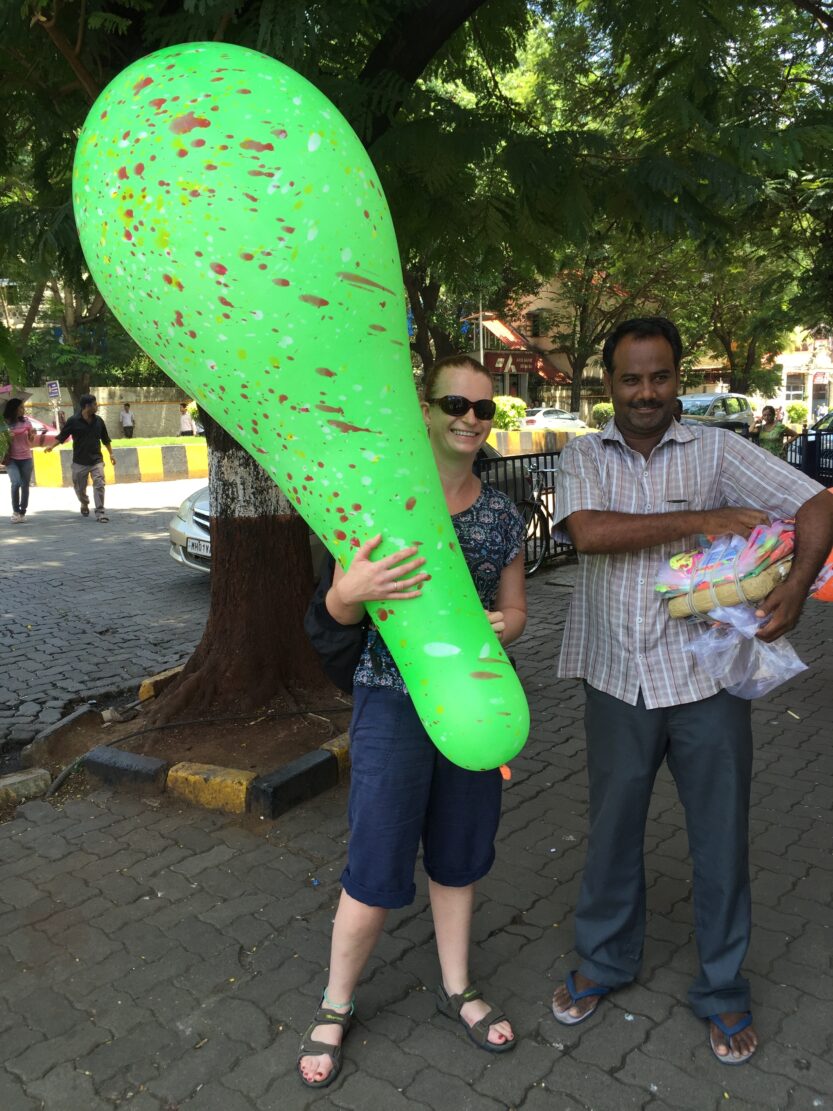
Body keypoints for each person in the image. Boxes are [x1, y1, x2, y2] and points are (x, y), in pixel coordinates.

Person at [551, 317, 833, 1065]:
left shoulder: (717, 448)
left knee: (719, 836)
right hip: (616, 675)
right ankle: (603, 959)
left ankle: (721, 987)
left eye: (660, 376)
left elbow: (817, 503)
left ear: (679, 378)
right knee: (611, 830)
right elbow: (587, 533)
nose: (646, 392)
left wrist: (798, 587)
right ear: (606, 383)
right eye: (631, 378)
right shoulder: (581, 454)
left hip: (707, 677)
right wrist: (706, 519)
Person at [297, 354, 528, 1089]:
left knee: (459, 854)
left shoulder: (500, 514)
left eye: (484, 409)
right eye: (454, 403)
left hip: (471, 704)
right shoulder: (379, 504)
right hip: (391, 701)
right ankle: (335, 1004)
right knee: (374, 861)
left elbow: (518, 610)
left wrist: (504, 626)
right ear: (425, 408)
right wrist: (350, 592)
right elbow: (335, 612)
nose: (469, 418)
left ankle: (458, 986)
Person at [45, 394, 116, 522]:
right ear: (87, 406)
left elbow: (105, 439)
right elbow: (62, 436)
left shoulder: (99, 421)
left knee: (99, 484)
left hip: (96, 460)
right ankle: (84, 502)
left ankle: (100, 512)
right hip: (79, 462)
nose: (97, 406)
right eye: (95, 404)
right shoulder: (73, 421)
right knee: (79, 489)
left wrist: (111, 454)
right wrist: (51, 446)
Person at [3, 397, 36, 523]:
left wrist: (32, 435)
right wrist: (7, 437)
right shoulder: (5, 423)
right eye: (21, 407)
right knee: (16, 483)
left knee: (25, 485)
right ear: (14, 409)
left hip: (26, 458)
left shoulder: (27, 422)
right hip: (11, 459)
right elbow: (2, 442)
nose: (24, 409)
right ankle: (15, 511)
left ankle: (23, 511)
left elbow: (31, 440)